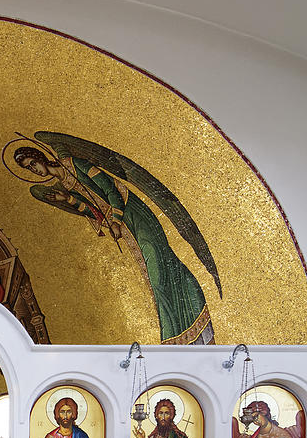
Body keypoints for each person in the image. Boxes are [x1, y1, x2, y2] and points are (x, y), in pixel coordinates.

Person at [13, 146, 214, 345]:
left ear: (40, 157)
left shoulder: (76, 164)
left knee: (160, 267)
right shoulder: (64, 184)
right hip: (124, 226)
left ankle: (192, 316)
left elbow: (111, 190)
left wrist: (116, 220)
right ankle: (178, 334)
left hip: (134, 214)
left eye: (33, 163)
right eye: (29, 169)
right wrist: (69, 199)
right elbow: (94, 211)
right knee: (154, 278)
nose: (35, 170)